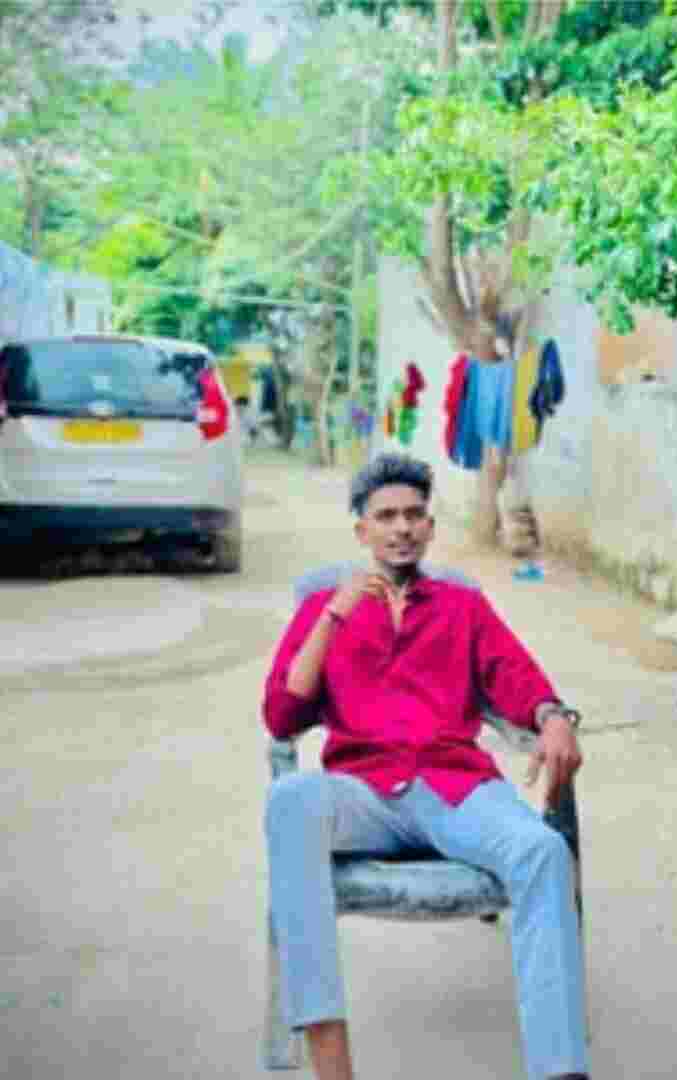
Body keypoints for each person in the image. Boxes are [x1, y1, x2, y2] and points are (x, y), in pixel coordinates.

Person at [261, 452, 589, 1080]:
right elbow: (281, 717)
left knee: (544, 852)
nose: (402, 527)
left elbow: (516, 676)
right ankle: (330, 1055)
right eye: (386, 516)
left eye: (414, 514)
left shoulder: (462, 608)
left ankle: (559, 1069)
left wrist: (552, 715)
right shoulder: (325, 609)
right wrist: (334, 614)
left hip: (455, 789)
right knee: (290, 801)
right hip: (364, 793)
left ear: (430, 527)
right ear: (363, 531)